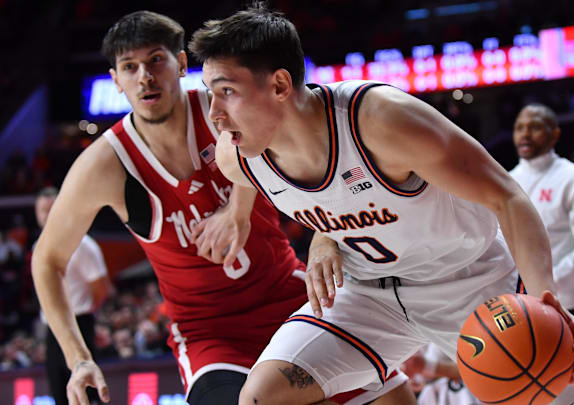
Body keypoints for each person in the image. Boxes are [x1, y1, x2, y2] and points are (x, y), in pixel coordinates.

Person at [189, 5, 574, 405]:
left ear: (279, 85)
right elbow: (320, 194)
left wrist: (545, 301)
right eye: (210, 93)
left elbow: (506, 196)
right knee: (262, 398)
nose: (214, 114)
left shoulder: (381, 120)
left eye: (227, 92)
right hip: (366, 295)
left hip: (469, 282)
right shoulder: (237, 155)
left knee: (553, 387)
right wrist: (320, 235)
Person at [31, 11, 412, 405]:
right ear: (116, 80)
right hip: (210, 336)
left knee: (396, 398)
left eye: (156, 60)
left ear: (180, 64)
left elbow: (318, 159)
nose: (144, 76)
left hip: (288, 296)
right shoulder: (106, 164)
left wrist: (243, 211)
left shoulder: (226, 110)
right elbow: (47, 260)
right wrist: (78, 360)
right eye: (130, 67)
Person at [508, 103, 574, 404]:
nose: (525, 133)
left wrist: (547, 282)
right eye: (519, 127)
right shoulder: (507, 180)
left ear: (555, 134)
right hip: (529, 307)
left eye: (535, 126)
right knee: (544, 393)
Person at [34, 186, 112, 405]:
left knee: (87, 394)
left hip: (80, 323)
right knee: (60, 394)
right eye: (43, 210)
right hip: (52, 329)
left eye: (52, 209)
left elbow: (102, 288)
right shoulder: (39, 247)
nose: (47, 215)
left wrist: (87, 313)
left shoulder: (83, 244)